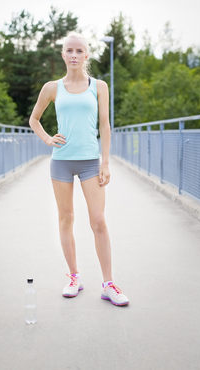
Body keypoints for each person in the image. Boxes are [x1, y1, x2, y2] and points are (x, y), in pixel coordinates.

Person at [29, 31, 129, 306]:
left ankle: (108, 284)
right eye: (69, 50)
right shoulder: (52, 87)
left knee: (98, 220)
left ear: (86, 55)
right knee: (66, 219)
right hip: (61, 161)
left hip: (89, 162)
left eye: (79, 51)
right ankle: (74, 277)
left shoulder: (99, 86)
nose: (74, 55)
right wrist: (48, 139)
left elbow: (105, 126)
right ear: (63, 54)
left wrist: (105, 162)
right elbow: (34, 119)